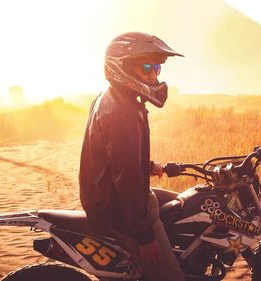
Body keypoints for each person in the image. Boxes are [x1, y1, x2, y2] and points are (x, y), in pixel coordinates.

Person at [79, 32, 185, 281]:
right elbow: (126, 181)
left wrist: (147, 165)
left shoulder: (116, 98)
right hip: (116, 205)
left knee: (182, 205)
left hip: (108, 196)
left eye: (157, 68)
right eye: (146, 67)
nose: (154, 76)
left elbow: (114, 156)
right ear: (121, 68)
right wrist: (144, 236)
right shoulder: (120, 112)